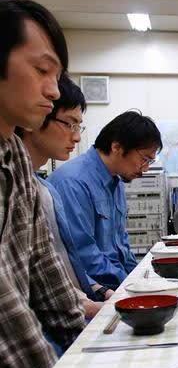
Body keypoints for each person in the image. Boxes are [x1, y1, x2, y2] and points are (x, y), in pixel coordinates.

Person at [0, 0, 85, 368]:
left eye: (57, 75)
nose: (53, 90)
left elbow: (42, 262)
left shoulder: (14, 153)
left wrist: (84, 346)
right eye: (41, 70)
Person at [18, 75, 114, 317]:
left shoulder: (44, 188)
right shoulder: (30, 188)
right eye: (69, 124)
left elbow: (61, 263)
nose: (77, 137)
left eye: (78, 126)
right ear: (35, 115)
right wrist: (88, 308)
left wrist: (99, 290)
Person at [48, 110, 163, 289]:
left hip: (116, 284)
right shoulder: (73, 183)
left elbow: (122, 246)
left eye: (150, 162)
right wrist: (130, 285)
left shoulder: (116, 181)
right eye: (144, 159)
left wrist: (141, 280)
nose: (146, 169)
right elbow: (84, 256)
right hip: (93, 292)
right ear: (117, 147)